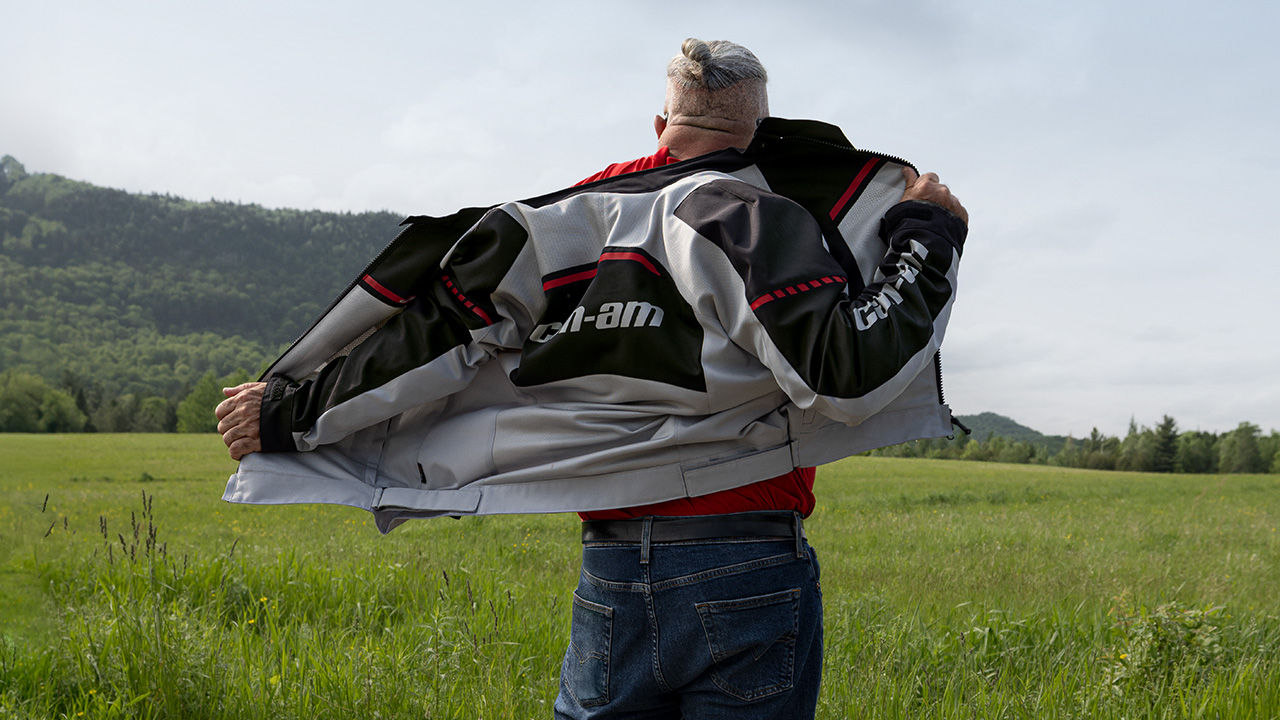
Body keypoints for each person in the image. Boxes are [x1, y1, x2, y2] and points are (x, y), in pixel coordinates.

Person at [217, 38, 966, 719]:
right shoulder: (754, 215)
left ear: (659, 124)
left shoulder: (565, 219)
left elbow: (427, 338)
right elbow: (846, 374)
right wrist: (928, 233)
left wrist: (287, 412)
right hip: (747, 559)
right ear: (758, 131)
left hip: (611, 564)